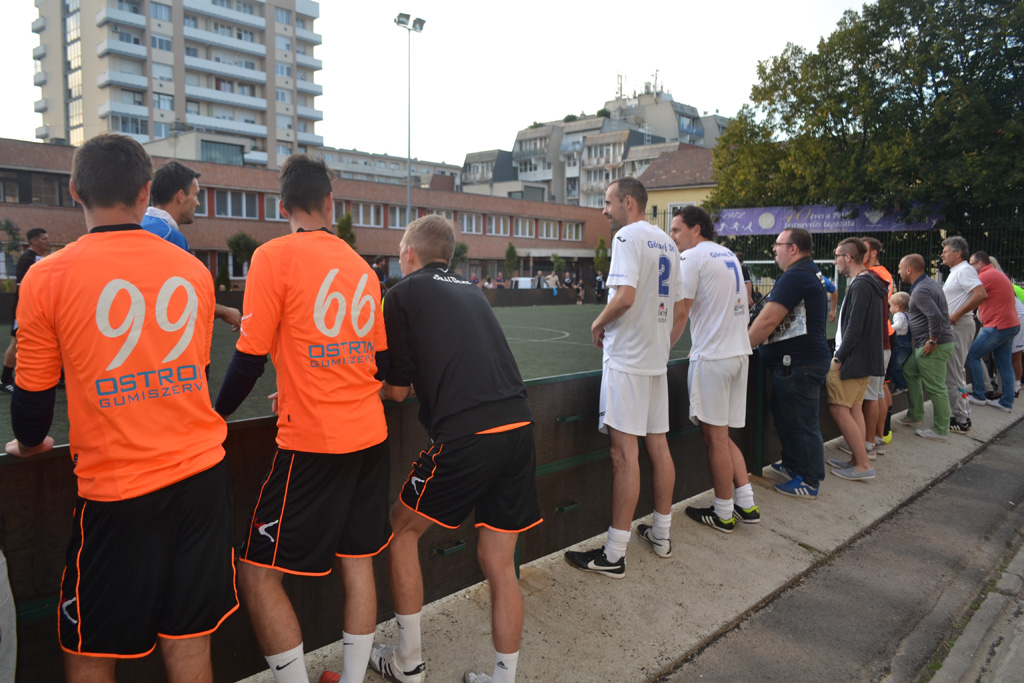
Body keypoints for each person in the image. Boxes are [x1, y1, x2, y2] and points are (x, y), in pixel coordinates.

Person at [6, 133, 235, 682]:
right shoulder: (193, 271)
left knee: (90, 648)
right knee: (188, 639)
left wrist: (31, 444)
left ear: (74, 191)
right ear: (145, 192)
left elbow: (32, 413)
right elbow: (197, 378)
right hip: (204, 481)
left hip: (120, 491)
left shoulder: (47, 275)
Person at [214, 155, 391, 683]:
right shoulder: (363, 268)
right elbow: (374, 360)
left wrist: (213, 415)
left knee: (257, 574)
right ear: (331, 203)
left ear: (282, 206)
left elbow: (248, 359)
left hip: (316, 441)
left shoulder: (273, 256)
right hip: (371, 434)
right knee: (357, 561)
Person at [373, 215, 542, 683]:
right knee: (499, 562)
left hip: (469, 434)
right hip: (519, 425)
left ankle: (408, 663)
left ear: (410, 253)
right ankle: (502, 679)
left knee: (399, 532)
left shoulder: (401, 293)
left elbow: (397, 391)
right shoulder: (472, 289)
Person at [565, 177, 684, 574]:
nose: (604, 210)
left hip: (628, 359)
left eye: (608, 202)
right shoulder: (668, 242)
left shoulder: (626, 237)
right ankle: (661, 534)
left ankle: (614, 555)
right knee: (658, 446)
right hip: (654, 359)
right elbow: (678, 308)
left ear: (628, 202)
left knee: (623, 455)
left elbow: (625, 296)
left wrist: (597, 323)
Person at [669, 206, 757, 532]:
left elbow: (681, 311)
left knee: (716, 438)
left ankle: (723, 513)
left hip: (714, 357)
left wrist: (662, 350)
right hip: (738, 354)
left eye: (676, 230)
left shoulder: (692, 257)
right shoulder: (728, 254)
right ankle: (746, 502)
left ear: (696, 229)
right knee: (721, 435)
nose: (672, 237)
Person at [749, 228, 832, 499]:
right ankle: (794, 464)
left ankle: (809, 480)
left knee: (801, 422)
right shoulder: (806, 272)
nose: (774, 249)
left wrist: (741, 346)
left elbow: (768, 320)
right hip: (797, 362)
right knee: (788, 417)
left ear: (793, 248)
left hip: (799, 364)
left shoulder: (796, 276)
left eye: (778, 244)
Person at [142, 161, 242, 331]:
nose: (198, 203)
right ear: (181, 196)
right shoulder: (170, 237)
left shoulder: (140, 224)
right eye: (196, 195)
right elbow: (181, 299)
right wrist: (224, 311)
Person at [825, 238, 886, 481]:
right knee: (854, 407)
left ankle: (862, 464)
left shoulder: (861, 284)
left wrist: (840, 356)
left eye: (837, 256)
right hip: (865, 358)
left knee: (839, 408)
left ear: (848, 257)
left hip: (852, 358)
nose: (835, 261)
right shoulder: (871, 281)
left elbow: (854, 327)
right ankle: (858, 458)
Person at [896, 254, 955, 440]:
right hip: (930, 344)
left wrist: (933, 340)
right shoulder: (929, 284)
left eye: (900, 268)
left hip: (933, 345)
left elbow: (935, 315)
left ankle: (941, 430)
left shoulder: (921, 290)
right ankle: (916, 413)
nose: (898, 271)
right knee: (909, 370)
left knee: (936, 387)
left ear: (909, 270)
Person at [940, 236, 986, 433]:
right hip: (957, 325)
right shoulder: (957, 271)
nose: (942, 254)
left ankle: (960, 418)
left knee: (954, 372)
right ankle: (962, 413)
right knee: (956, 371)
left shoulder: (964, 270)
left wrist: (956, 315)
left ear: (958, 253)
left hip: (958, 326)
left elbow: (981, 294)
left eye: (945, 251)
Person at [965, 251, 1020, 412]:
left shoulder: (985, 276)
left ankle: (979, 395)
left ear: (980, 264)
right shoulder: (997, 274)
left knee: (972, 355)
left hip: (997, 325)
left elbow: (969, 296)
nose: (970, 267)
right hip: (1010, 324)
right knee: (1004, 363)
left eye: (971, 264)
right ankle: (1006, 402)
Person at [1, 228, 51, 392]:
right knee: (15, 343)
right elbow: (23, 288)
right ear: (33, 241)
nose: (47, 241)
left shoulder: (40, 258)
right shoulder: (28, 259)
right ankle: (5, 380)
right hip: (24, 310)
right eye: (44, 239)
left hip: (38, 309)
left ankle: (59, 376)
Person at [889, 292, 912, 394]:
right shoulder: (906, 315)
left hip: (900, 344)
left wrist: (889, 328)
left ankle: (901, 385)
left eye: (891, 306)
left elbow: (898, 325)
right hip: (907, 343)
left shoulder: (898, 315)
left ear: (897, 307)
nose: (890, 308)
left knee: (895, 366)